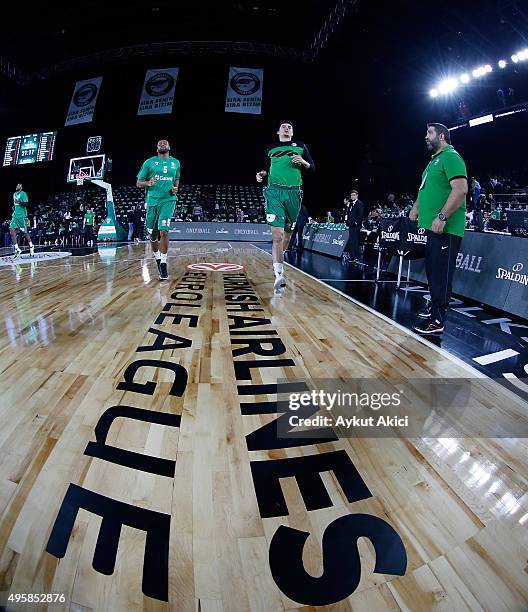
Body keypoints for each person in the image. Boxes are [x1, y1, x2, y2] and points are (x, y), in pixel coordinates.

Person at [410, 123, 468, 335]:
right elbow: (424, 188)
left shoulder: (451, 156)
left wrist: (442, 216)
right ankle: (434, 308)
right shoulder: (433, 162)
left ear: (441, 136)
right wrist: (416, 207)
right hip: (432, 228)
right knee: (433, 272)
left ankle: (437, 320)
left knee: (441, 275)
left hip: (447, 229)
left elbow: (461, 190)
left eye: (429, 133)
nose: (425, 136)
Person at [256, 120, 315, 289]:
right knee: (278, 236)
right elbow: (267, 169)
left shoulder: (301, 146)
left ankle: (278, 262)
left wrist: (303, 162)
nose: (287, 128)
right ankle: (279, 274)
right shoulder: (271, 148)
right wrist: (261, 174)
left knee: (287, 237)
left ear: (292, 132)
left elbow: (313, 168)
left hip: (294, 193)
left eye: (290, 127)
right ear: (278, 132)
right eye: (284, 127)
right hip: (274, 191)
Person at [136, 139, 181, 280]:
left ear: (169, 147)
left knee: (164, 230)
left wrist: (176, 188)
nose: (162, 144)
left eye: (165, 143)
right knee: (153, 235)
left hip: (168, 200)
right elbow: (138, 183)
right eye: (160, 144)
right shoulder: (149, 162)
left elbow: (177, 179)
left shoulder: (176, 163)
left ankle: (163, 262)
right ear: (157, 148)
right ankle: (156, 257)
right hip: (152, 201)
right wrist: (148, 183)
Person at [9, 183, 35, 258]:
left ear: (21, 187)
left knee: (25, 232)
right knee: (11, 229)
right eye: (16, 185)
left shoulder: (23, 193)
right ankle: (17, 248)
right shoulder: (14, 194)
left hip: (22, 216)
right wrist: (14, 207)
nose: (17, 186)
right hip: (15, 216)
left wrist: (19, 203)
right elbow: (15, 204)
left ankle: (31, 246)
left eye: (18, 185)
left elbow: (26, 203)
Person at [342, 189, 365, 263]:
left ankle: (356, 257)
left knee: (355, 241)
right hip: (351, 225)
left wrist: (356, 222)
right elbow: (348, 213)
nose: (352, 196)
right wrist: (346, 221)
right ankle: (352, 257)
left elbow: (360, 215)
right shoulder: (351, 204)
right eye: (351, 195)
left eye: (354, 195)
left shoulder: (359, 203)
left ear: (357, 195)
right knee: (351, 241)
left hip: (356, 226)